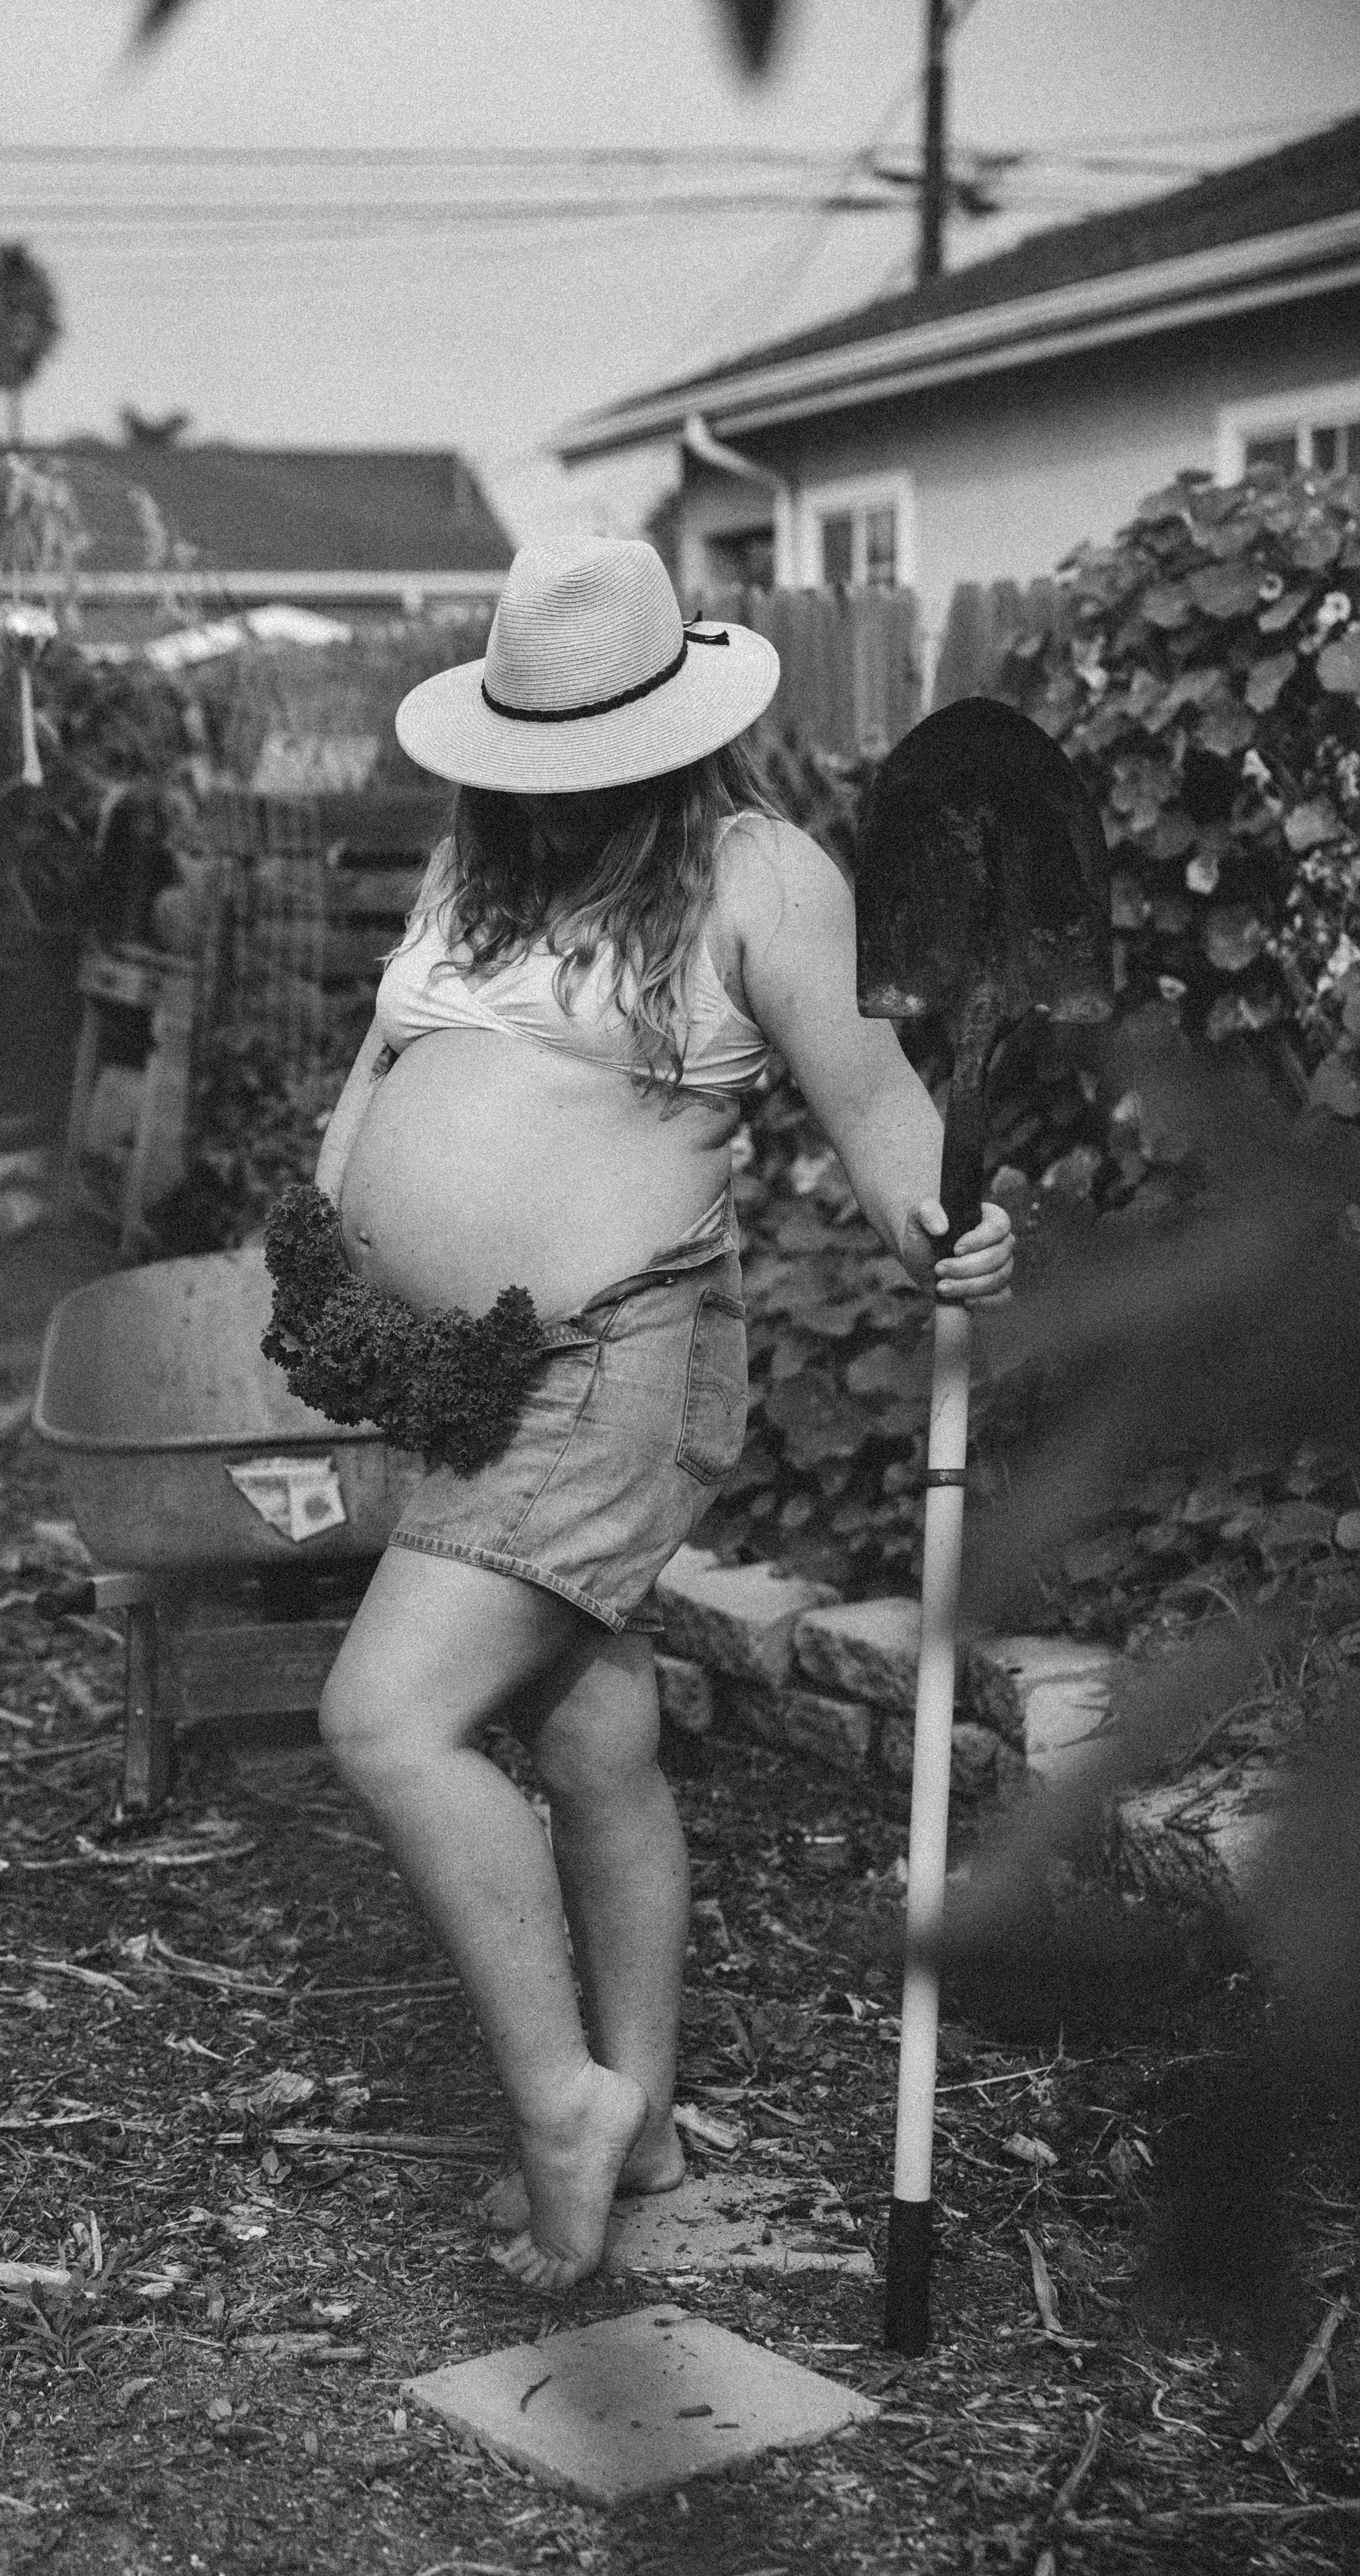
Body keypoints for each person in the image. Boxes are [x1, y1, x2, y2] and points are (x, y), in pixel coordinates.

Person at [306, 538, 1013, 2290]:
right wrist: (326, 1280)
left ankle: (560, 2104)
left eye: (578, 776)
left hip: (610, 1357)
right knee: (588, 1736)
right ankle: (649, 2110)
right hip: (443, 1373)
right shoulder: (472, 870)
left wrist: (941, 1220)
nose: (542, 806)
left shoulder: (758, 876)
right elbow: (384, 1067)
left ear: (666, 743)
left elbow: (871, 1096)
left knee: (386, 1721)